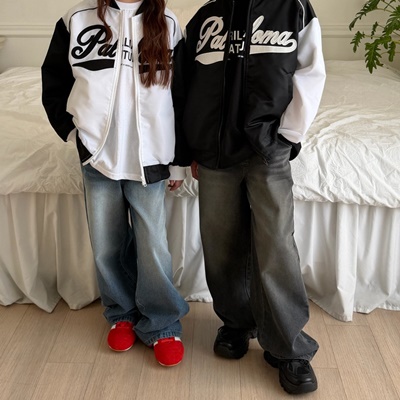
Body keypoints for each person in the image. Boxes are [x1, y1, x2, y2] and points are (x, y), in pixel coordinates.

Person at [172, 0, 326, 393]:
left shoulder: (293, 9)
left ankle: (288, 346)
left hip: (268, 152)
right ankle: (236, 323)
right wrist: (190, 147)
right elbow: (184, 86)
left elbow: (311, 73)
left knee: (276, 247)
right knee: (220, 244)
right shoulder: (205, 18)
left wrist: (287, 136)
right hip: (214, 154)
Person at [41, 0, 190, 367]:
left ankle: (162, 321)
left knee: (153, 245)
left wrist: (178, 162)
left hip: (151, 155)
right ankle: (121, 313)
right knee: (106, 242)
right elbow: (54, 79)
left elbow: (183, 95)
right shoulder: (76, 19)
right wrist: (75, 133)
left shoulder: (169, 23)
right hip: (98, 155)